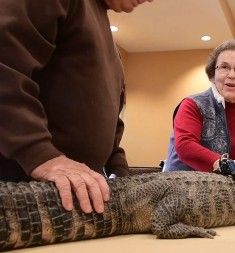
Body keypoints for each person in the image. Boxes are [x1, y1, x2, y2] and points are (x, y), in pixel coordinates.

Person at [0, 0, 153, 214]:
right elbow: (5, 70)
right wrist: (40, 155)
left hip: (68, 193)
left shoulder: (109, 42)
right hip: (17, 186)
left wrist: (118, 169)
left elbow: (110, 121)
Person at [164, 39, 235, 178]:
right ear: (212, 75)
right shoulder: (192, 104)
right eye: (224, 67)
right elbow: (185, 146)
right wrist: (225, 165)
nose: (231, 75)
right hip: (184, 191)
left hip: (228, 194)